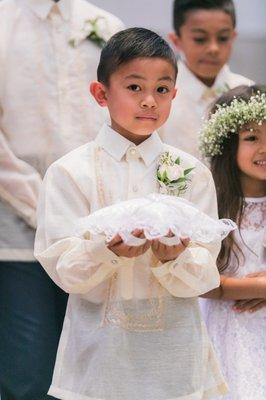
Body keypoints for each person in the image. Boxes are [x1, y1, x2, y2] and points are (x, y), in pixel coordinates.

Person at [34, 27, 228, 400]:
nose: (150, 101)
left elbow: (206, 273)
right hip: (99, 356)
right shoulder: (70, 172)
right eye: (135, 87)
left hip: (177, 355)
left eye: (161, 89)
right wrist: (107, 251)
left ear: (174, 93)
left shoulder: (192, 173)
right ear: (101, 93)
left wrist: (177, 258)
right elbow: (63, 269)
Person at [0, 0, 123, 398]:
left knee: (96, 379)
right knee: (30, 378)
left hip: (99, 235)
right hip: (19, 240)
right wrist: (50, 209)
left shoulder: (104, 25)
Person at [199, 85, 266, 399]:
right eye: (252, 138)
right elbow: (201, 281)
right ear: (227, 144)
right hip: (225, 329)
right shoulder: (210, 204)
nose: (264, 148)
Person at [159, 0, 253, 159]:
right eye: (200, 39)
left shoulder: (250, 92)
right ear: (176, 40)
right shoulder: (159, 95)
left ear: (233, 37)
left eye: (223, 38)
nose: (213, 48)